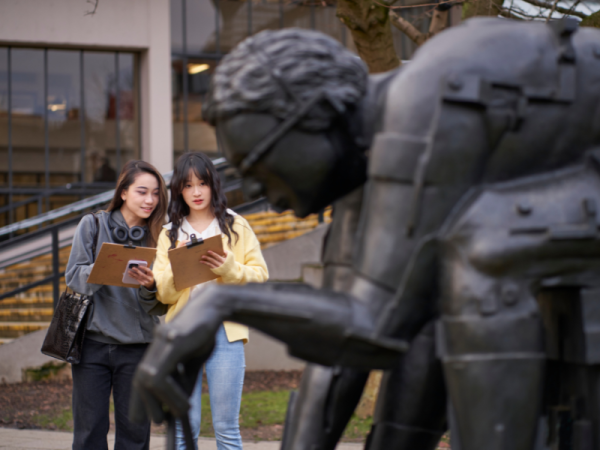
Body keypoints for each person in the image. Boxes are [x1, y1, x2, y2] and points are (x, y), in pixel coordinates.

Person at [152, 152, 268, 450]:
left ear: (213, 185)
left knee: (226, 428)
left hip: (225, 332)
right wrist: (180, 267)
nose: (196, 192)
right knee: (182, 429)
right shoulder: (169, 234)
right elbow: (163, 294)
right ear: (179, 189)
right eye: (188, 185)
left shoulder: (235, 226)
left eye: (202, 183)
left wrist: (229, 269)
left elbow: (260, 279)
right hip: (182, 332)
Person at [65, 160, 168, 450]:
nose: (150, 200)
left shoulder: (161, 236)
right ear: (123, 192)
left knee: (135, 435)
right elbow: (74, 278)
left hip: (138, 348)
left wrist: (150, 286)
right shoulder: (93, 224)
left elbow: (162, 305)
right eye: (142, 191)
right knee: (89, 433)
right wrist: (106, 267)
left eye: (156, 193)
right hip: (92, 347)